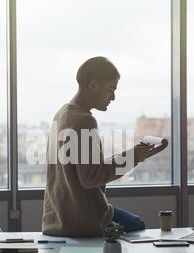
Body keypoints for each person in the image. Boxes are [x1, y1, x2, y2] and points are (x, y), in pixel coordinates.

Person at [42, 56, 168, 237]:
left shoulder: (61, 115)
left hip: (57, 218)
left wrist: (133, 155)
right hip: (81, 221)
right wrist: (133, 158)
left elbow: (86, 167)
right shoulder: (84, 120)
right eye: (111, 89)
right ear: (93, 86)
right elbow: (91, 177)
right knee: (137, 224)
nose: (113, 97)